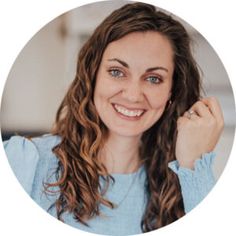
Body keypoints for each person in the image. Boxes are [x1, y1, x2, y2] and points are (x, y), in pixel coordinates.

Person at [3, 2, 224, 235]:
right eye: (117, 72)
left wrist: (194, 166)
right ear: (93, 75)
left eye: (153, 78)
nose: (132, 95)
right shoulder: (26, 163)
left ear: (172, 92)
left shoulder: (187, 182)